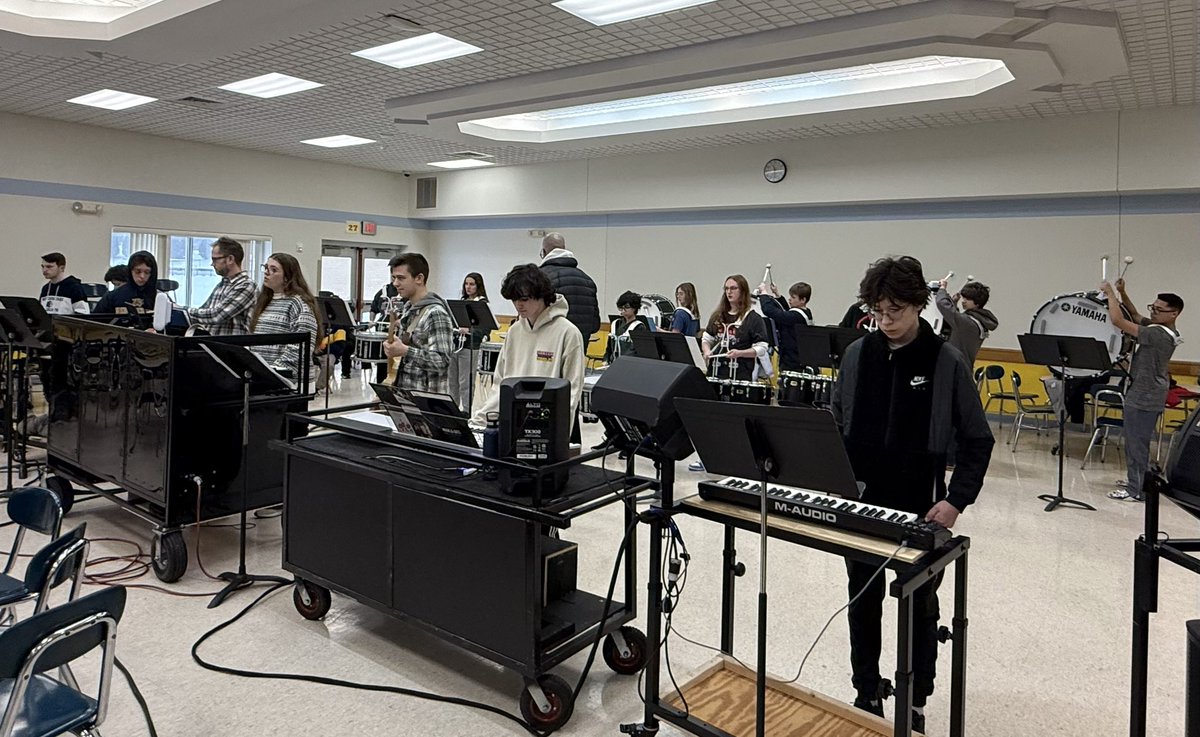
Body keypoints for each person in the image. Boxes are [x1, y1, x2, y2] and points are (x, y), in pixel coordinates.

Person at [831, 256, 994, 732]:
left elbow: (977, 439)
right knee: (862, 601)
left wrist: (956, 500)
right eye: (878, 311)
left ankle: (916, 696)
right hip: (861, 503)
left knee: (919, 606)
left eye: (895, 311)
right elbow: (838, 425)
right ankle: (866, 692)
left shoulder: (946, 361)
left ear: (921, 305)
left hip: (920, 507)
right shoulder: (859, 354)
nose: (886, 321)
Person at [1101, 278, 1184, 502]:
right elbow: (1136, 316)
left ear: (1174, 313)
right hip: (1146, 391)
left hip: (1145, 395)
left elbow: (1118, 320)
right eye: (1153, 308)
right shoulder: (1161, 328)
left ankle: (1135, 490)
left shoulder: (1158, 334)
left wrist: (1109, 294)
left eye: (1159, 310)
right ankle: (1138, 480)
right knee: (1137, 441)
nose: (1154, 312)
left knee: (1136, 443)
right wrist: (1122, 293)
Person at [471, 264, 584, 427]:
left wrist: (558, 434)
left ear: (542, 295)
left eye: (524, 299)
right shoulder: (514, 331)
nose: (518, 305)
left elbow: (571, 394)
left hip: (546, 428)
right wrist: (480, 421)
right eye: (514, 300)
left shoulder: (568, 333)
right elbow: (500, 386)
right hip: (511, 424)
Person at [382, 253, 454, 395]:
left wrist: (405, 351)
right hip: (406, 395)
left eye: (401, 278)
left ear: (419, 278)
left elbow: (442, 361)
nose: (395, 283)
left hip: (427, 401)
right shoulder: (408, 309)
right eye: (394, 278)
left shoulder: (436, 313)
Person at [248, 253, 320, 379]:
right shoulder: (265, 302)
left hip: (291, 381)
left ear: (287, 277)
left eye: (273, 270)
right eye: (265, 267)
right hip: (266, 377)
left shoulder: (299, 303)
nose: (266, 272)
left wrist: (274, 370)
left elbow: (301, 346)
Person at [700, 275, 769, 381]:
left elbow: (762, 348)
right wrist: (706, 351)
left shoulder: (753, 318)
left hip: (740, 374)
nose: (729, 292)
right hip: (715, 373)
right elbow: (707, 338)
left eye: (733, 288)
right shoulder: (718, 315)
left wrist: (740, 353)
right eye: (726, 289)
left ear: (742, 291)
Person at [186, 236, 257, 336]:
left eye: (215, 259)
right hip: (214, 348)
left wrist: (185, 311)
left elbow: (217, 315)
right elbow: (204, 311)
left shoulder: (246, 285)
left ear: (230, 259)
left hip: (232, 348)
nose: (212, 264)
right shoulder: (222, 285)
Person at [538, 232, 601, 341]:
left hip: (548, 345)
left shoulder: (540, 277)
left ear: (543, 252)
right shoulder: (588, 280)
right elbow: (595, 325)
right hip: (579, 347)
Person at [94, 251, 171, 331]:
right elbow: (94, 324)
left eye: (147, 272)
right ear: (130, 271)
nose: (142, 276)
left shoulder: (161, 298)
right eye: (138, 272)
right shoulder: (112, 296)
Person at [448, 272, 489, 410]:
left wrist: (470, 331)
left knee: (465, 382)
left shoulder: (482, 304)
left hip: (470, 347)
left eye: (471, 284)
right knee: (452, 381)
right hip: (455, 345)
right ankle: (453, 410)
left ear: (478, 286)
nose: (468, 287)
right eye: (466, 284)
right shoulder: (461, 302)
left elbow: (485, 329)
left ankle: (466, 411)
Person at [934, 279, 998, 368]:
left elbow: (943, 304)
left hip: (954, 367)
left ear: (977, 303)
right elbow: (956, 318)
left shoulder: (968, 322)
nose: (963, 301)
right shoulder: (979, 319)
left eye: (968, 299)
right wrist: (954, 302)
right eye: (963, 297)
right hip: (963, 367)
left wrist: (942, 289)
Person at [758, 280, 813, 373]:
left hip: (793, 363)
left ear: (803, 300)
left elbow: (771, 311)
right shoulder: (805, 312)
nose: (790, 299)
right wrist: (777, 295)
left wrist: (763, 294)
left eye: (793, 297)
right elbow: (787, 310)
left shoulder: (796, 317)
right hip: (793, 360)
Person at [605, 290, 656, 362]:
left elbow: (636, 351)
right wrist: (606, 359)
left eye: (626, 307)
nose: (623, 310)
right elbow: (609, 346)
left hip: (628, 364)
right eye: (621, 307)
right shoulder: (615, 324)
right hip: (613, 363)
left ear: (634, 308)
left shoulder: (639, 327)